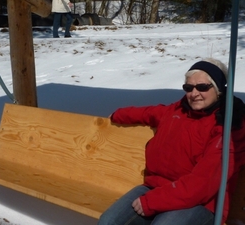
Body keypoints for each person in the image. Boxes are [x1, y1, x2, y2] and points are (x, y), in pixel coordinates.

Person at [98, 58, 245, 225]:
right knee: (108, 222)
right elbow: (149, 113)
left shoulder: (229, 125)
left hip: (202, 202)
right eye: (188, 88)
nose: (194, 93)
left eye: (202, 87)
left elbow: (202, 184)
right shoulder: (178, 111)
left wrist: (151, 202)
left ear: (218, 89)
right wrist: (119, 114)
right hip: (157, 187)